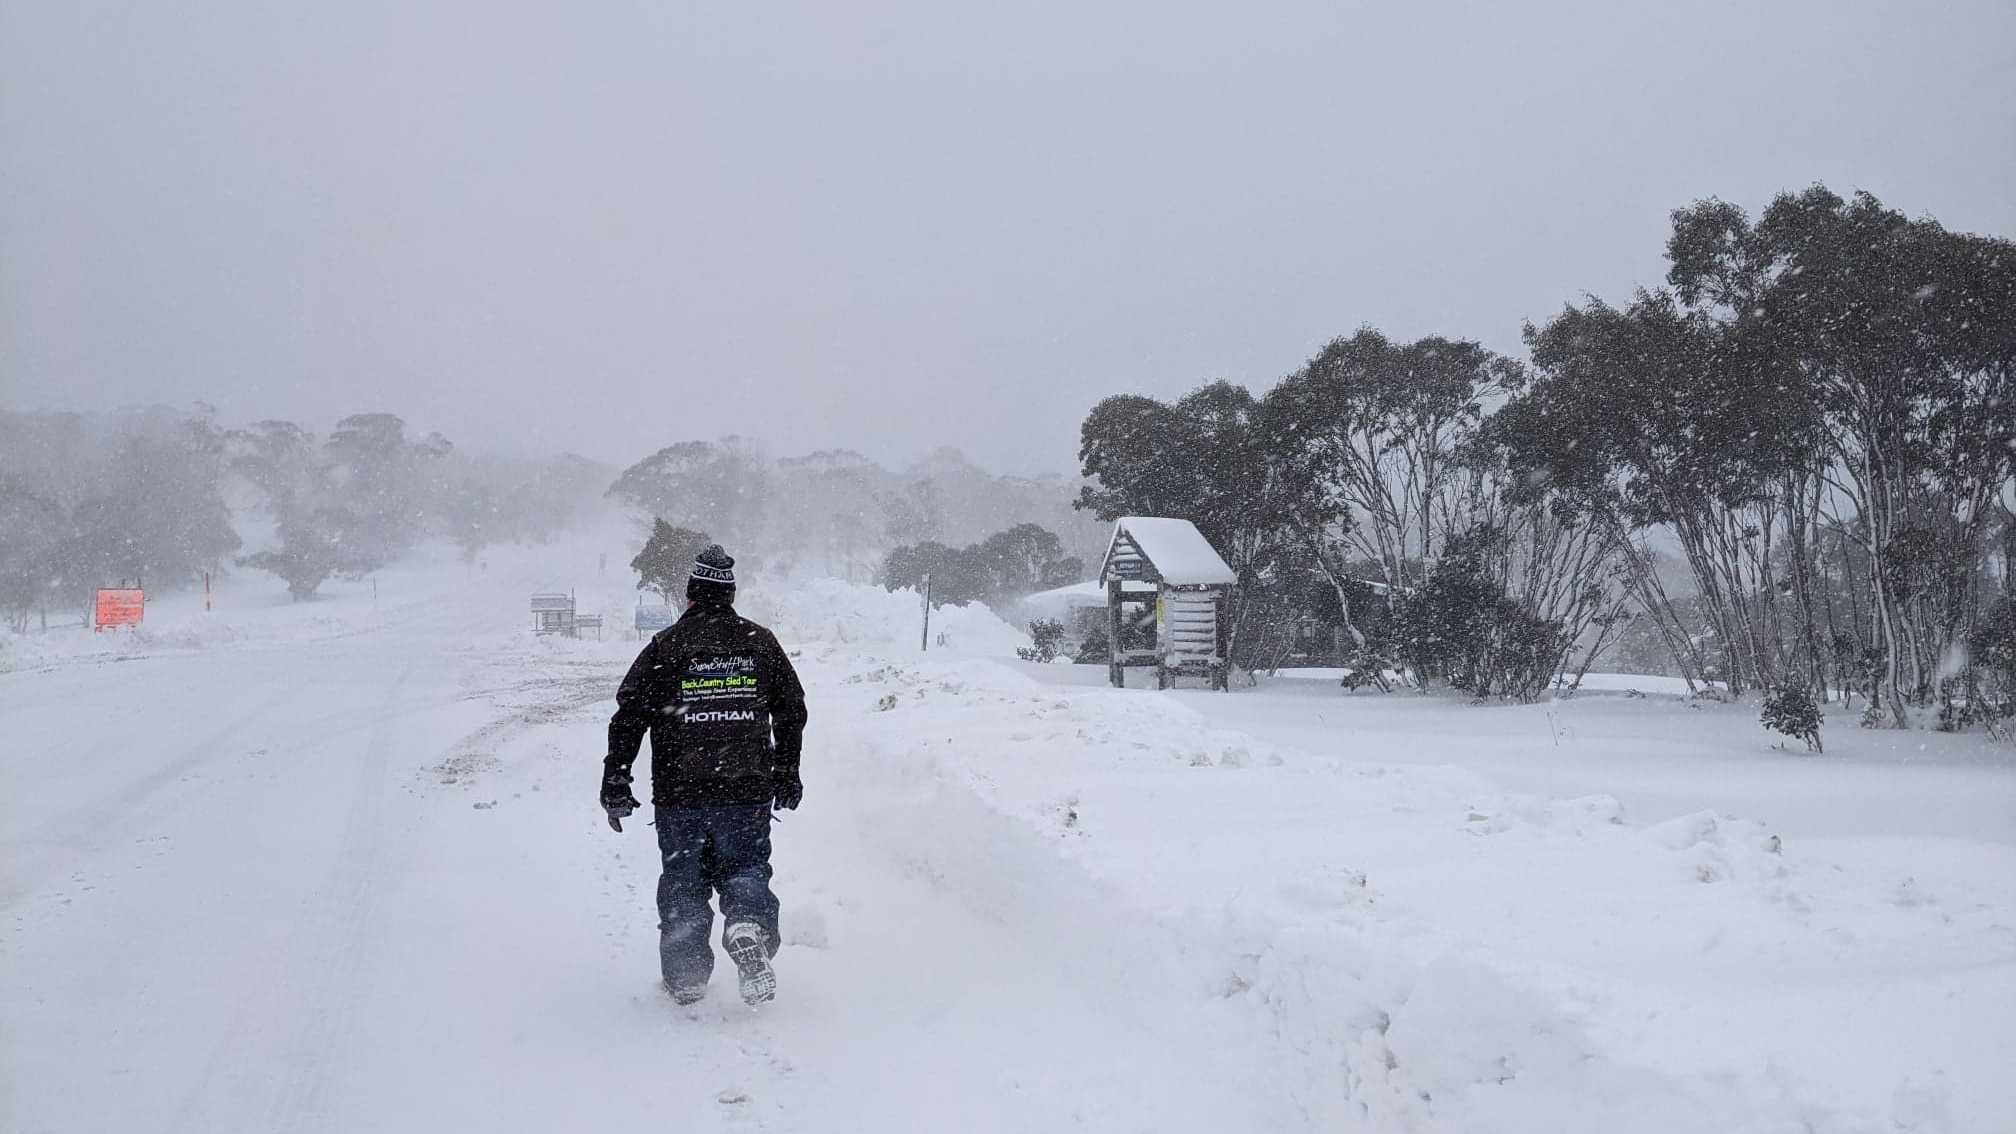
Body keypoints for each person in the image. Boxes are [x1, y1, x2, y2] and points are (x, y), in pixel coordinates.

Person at [601, 544, 808, 1006]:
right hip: (746, 791)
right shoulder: (760, 643)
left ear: (691, 595)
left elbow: (629, 717)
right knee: (746, 868)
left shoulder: (666, 647)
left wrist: (616, 780)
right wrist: (787, 771)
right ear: (730, 595)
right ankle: (747, 924)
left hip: (681, 796)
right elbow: (791, 709)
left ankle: (687, 976)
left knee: (684, 884)